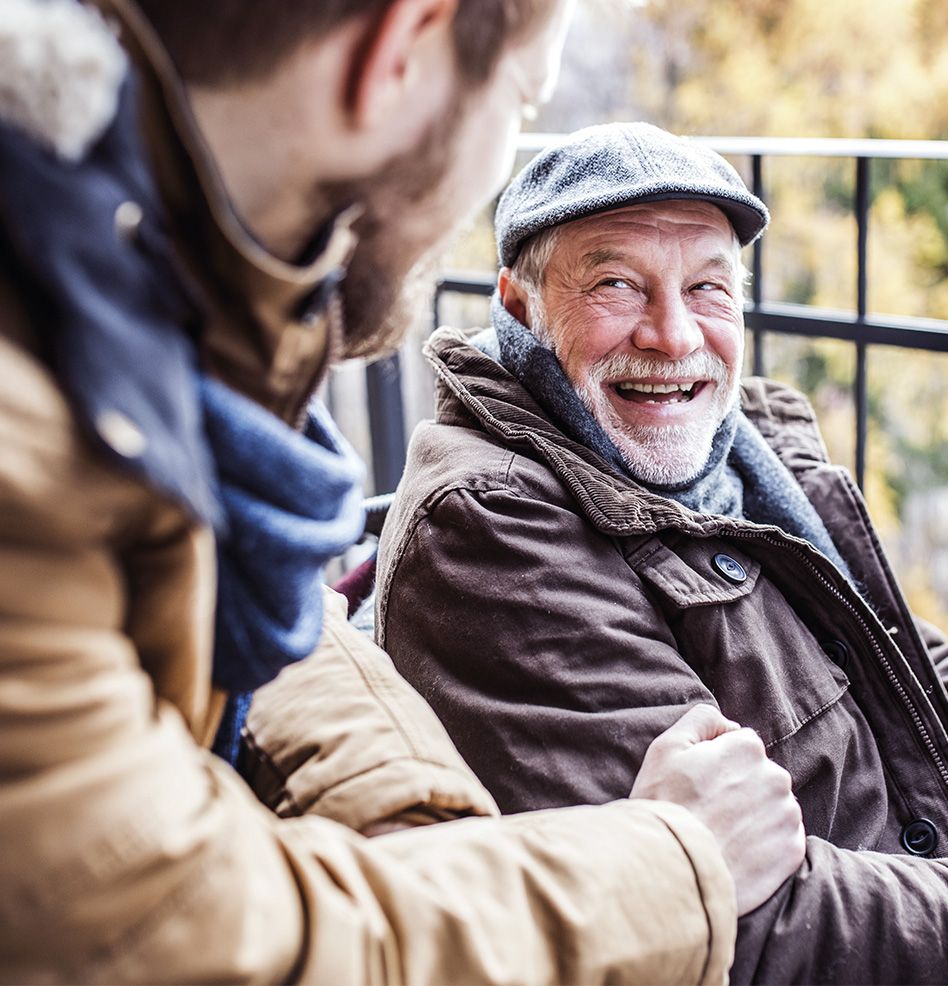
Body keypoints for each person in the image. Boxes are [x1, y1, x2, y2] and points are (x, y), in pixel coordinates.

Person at [0, 3, 805, 983]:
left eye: (709, 287)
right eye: (522, 97)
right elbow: (178, 932)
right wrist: (679, 862)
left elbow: (258, 616)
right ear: (404, 45)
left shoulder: (126, 294)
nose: (674, 333)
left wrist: (411, 812)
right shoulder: (31, 432)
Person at [376, 121, 948, 985]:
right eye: (616, 283)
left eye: (708, 288)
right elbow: (735, 920)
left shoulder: (742, 443)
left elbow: (889, 648)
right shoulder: (492, 530)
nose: (674, 336)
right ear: (518, 302)